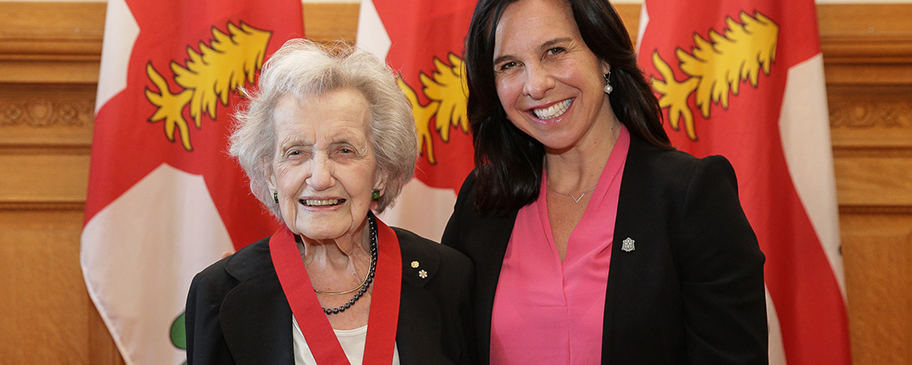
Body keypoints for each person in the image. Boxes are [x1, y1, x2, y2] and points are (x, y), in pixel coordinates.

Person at [441, 0, 768, 364]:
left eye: (555, 51)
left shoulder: (691, 196)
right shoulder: (482, 201)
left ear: (605, 56)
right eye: (510, 65)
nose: (535, 85)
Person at [185, 39, 476, 365]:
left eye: (344, 150)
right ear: (270, 174)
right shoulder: (218, 293)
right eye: (296, 152)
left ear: (381, 170)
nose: (320, 177)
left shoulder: (449, 279)